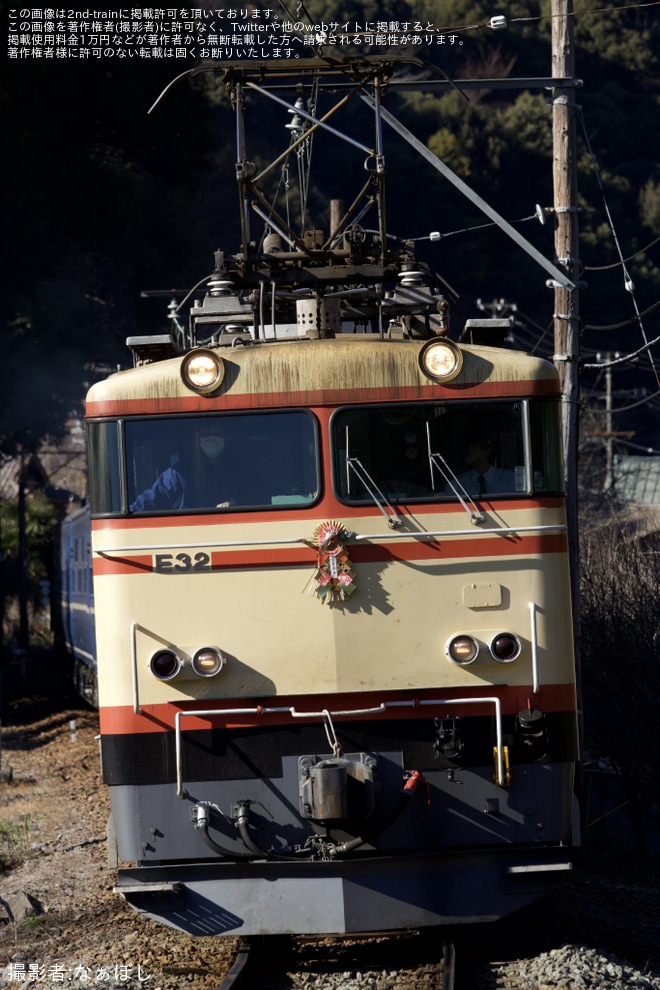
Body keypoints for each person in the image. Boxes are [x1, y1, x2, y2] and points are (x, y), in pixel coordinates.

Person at [129, 421, 235, 512]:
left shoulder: (241, 470)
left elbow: (250, 496)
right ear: (198, 439)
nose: (211, 438)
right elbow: (154, 497)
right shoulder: (181, 471)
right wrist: (127, 514)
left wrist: (235, 503)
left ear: (228, 437)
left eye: (217, 433)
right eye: (206, 433)